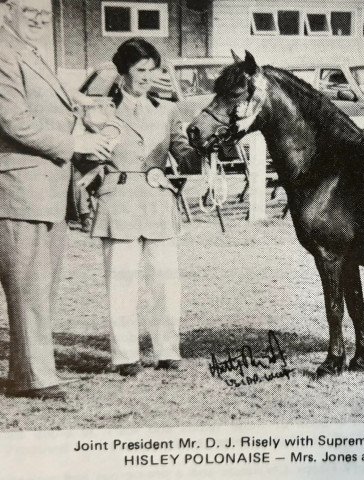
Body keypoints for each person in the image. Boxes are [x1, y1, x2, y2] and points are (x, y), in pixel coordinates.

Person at [0, 0, 112, 400]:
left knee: (41, 288)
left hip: (46, 188)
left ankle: (27, 373)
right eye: (29, 8)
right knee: (29, 288)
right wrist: (76, 141)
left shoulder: (31, 52)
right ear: (5, 7)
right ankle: (35, 378)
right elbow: (13, 122)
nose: (40, 17)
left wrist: (86, 117)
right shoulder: (2, 52)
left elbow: (50, 112)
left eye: (45, 11)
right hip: (18, 188)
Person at [90, 38, 200, 376]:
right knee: (121, 283)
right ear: (123, 72)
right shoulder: (101, 111)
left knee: (166, 282)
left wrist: (197, 151)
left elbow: (184, 153)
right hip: (118, 200)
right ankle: (125, 357)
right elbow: (85, 158)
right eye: (141, 70)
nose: (147, 77)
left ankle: (167, 351)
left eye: (153, 70)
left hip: (156, 201)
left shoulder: (168, 110)